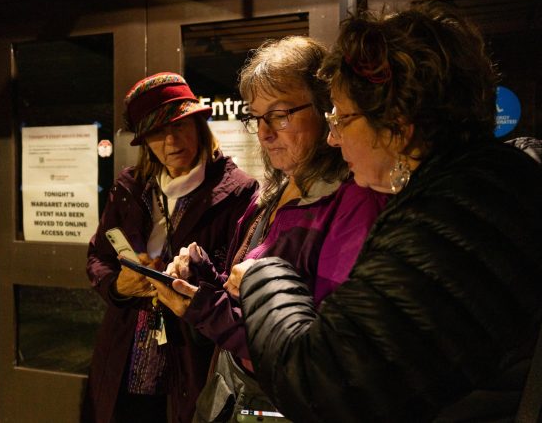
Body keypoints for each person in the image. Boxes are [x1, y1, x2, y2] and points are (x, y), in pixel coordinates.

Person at [233, 3, 542, 422]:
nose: (334, 138)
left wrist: (264, 273)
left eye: (342, 118)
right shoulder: (487, 186)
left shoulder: (445, 218)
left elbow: (320, 386)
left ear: (398, 123)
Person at [148, 36, 388, 422]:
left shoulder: (354, 202)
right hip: (237, 393)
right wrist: (205, 278)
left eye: (280, 114)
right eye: (256, 117)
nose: (264, 133)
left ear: (328, 109)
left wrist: (206, 309)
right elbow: (247, 295)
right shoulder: (275, 189)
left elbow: (319, 353)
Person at [81, 72, 258, 423]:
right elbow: (98, 256)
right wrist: (118, 285)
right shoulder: (130, 187)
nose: (171, 140)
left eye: (180, 126)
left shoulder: (238, 192)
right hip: (124, 353)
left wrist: (190, 282)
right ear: (146, 141)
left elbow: (236, 281)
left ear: (200, 124)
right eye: (158, 133)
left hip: (192, 352)